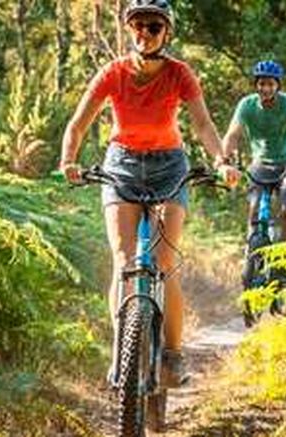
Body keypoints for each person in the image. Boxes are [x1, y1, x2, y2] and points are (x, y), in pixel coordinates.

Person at [58, 0, 239, 387]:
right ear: (130, 30)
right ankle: (120, 353)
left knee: (165, 264)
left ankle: (172, 356)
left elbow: (204, 126)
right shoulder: (113, 73)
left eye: (153, 26)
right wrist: (68, 160)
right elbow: (77, 124)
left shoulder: (180, 74)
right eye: (137, 25)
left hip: (169, 166)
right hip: (121, 163)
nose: (144, 33)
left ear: (166, 32)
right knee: (124, 261)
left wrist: (222, 159)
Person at [222, 60, 286, 244]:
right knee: (254, 208)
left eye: (270, 84)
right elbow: (232, 135)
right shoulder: (247, 105)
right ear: (255, 85)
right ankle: (251, 254)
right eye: (261, 84)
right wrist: (225, 160)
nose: (265, 88)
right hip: (260, 163)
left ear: (278, 86)